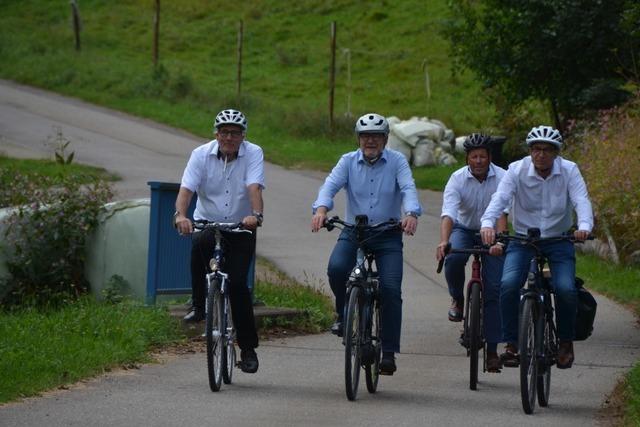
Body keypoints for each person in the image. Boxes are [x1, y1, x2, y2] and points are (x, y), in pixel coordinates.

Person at [311, 113, 422, 375]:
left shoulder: (397, 161)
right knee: (337, 269)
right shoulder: (347, 161)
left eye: (375, 136)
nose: (370, 141)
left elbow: (408, 189)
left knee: (391, 289)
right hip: (354, 232)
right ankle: (343, 314)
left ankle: (389, 352)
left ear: (385, 139)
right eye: (365, 136)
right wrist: (321, 209)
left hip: (387, 233)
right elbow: (330, 186)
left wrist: (411, 214)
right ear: (358, 139)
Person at [480, 125, 593, 369]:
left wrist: (584, 225)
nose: (540, 154)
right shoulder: (517, 170)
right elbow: (499, 199)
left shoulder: (569, 170)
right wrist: (488, 224)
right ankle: (511, 343)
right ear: (530, 151)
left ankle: (565, 341)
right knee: (508, 285)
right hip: (523, 240)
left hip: (558, 240)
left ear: (556, 153)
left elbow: (581, 200)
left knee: (565, 289)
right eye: (536, 149)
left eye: (547, 150)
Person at [174, 108, 264, 374]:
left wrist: (255, 215)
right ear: (216, 134)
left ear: (243, 136)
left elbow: (254, 187)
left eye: (235, 133)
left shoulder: (254, 153)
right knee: (198, 244)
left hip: (240, 225)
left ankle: (247, 349)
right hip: (208, 222)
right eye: (224, 132)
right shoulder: (200, 155)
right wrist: (180, 215)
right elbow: (186, 189)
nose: (229, 138)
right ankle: (199, 305)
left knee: (237, 285)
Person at [436, 133, 507, 372]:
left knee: (494, 289)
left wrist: (500, 242)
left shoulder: (503, 177)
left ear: (490, 157)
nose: (478, 161)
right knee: (454, 258)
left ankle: (493, 351)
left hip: (493, 232)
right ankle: (457, 298)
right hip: (464, 229)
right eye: (474, 156)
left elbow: (502, 215)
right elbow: (449, 213)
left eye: (483, 156)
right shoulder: (457, 179)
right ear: (467, 158)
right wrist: (444, 242)